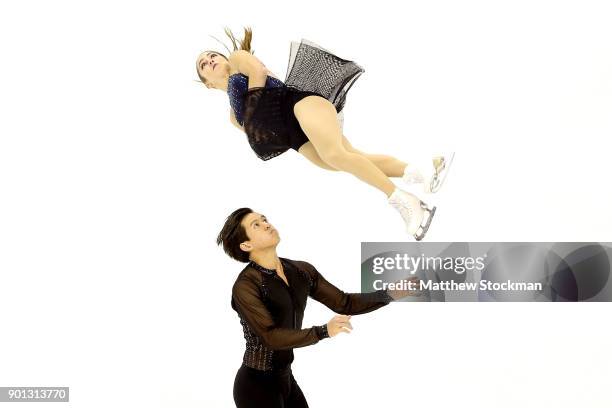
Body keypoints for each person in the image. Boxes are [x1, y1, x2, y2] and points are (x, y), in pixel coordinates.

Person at [198, 28, 454, 240]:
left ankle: (405, 201)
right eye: (203, 65)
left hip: (298, 105)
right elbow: (261, 131)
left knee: (335, 154)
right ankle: (424, 172)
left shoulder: (238, 59)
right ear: (208, 84)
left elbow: (259, 73)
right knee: (347, 160)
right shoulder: (233, 117)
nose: (210, 60)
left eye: (211, 55)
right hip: (294, 136)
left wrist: (253, 121)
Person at [216, 207, 420, 408]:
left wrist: (390, 293)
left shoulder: (301, 271)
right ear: (245, 245)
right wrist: (323, 331)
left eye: (264, 219)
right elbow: (271, 336)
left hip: (285, 379)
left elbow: (344, 302)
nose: (267, 224)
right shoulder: (245, 286)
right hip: (255, 386)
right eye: (256, 225)